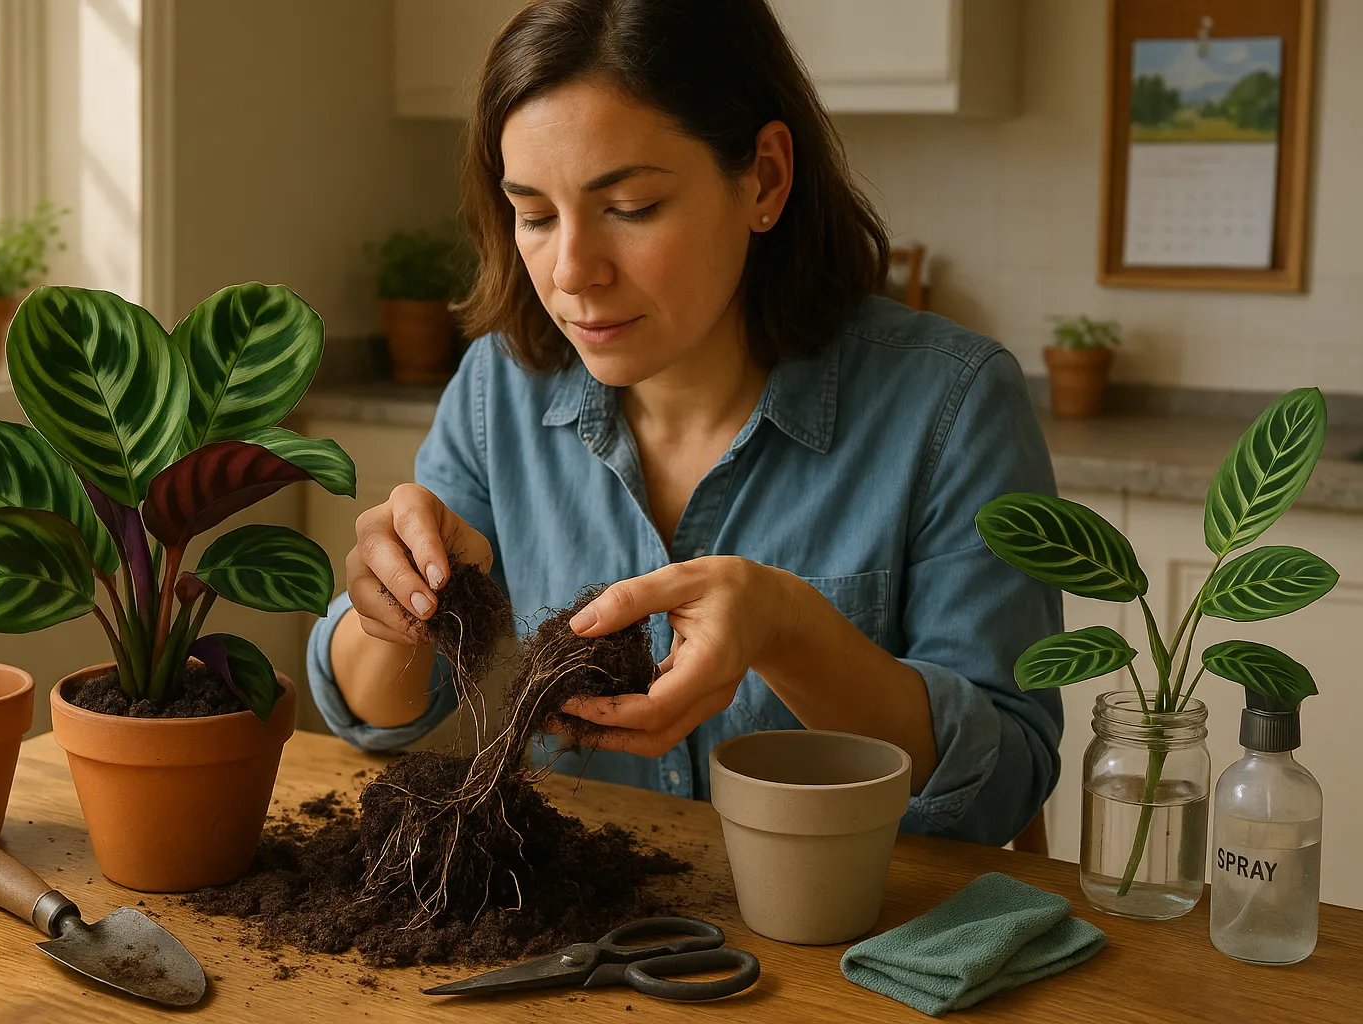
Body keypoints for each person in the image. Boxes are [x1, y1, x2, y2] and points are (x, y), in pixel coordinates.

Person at [307, 0, 1063, 846]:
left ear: (765, 180)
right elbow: (376, 715)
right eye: (536, 215)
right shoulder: (499, 387)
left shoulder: (952, 403)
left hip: (856, 949)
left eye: (629, 207)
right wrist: (396, 602)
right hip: (597, 937)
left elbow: (1004, 783)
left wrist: (786, 628)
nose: (572, 273)